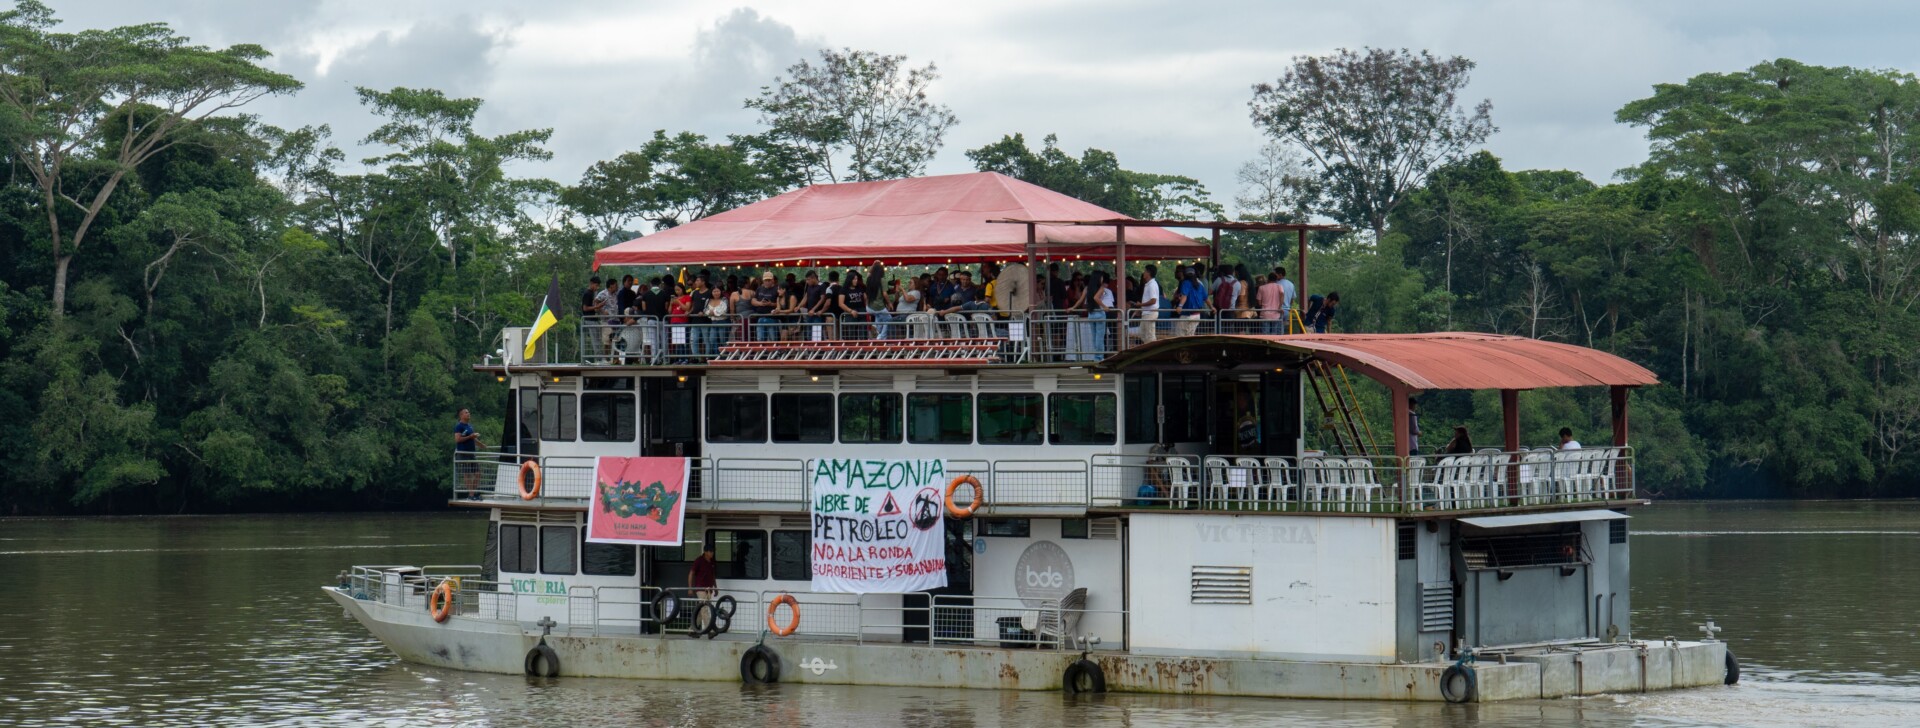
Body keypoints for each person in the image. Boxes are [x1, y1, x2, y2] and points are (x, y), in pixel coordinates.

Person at [454, 408, 484, 499]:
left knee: (478, 473)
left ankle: (473, 493)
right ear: (461, 415)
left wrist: (480, 444)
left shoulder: (470, 426)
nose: (468, 414)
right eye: (466, 413)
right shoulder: (459, 426)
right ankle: (471, 495)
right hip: (463, 453)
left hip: (471, 453)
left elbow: (473, 438)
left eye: (469, 412)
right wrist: (470, 436)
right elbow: (458, 439)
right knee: (467, 474)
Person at [1174, 266, 1208, 337]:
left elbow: (1184, 296)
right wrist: (1212, 307)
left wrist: (1180, 306)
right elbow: (1206, 298)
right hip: (1197, 315)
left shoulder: (1185, 283)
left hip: (1187, 314)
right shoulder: (1199, 285)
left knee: (1180, 334)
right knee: (1190, 335)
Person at [1136, 264, 1161, 343]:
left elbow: (1153, 300)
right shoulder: (1149, 284)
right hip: (1146, 313)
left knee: (1150, 336)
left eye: (1145, 271)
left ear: (1148, 273)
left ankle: (1153, 353)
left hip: (1150, 313)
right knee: (1143, 334)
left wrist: (1140, 305)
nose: (1143, 273)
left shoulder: (1152, 285)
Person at [1276, 267, 1296, 331]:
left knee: (1275, 330)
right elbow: (1292, 299)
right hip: (1287, 310)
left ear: (1280, 274)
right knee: (1281, 329)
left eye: (1275, 274)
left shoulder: (1276, 284)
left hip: (1278, 310)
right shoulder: (1291, 284)